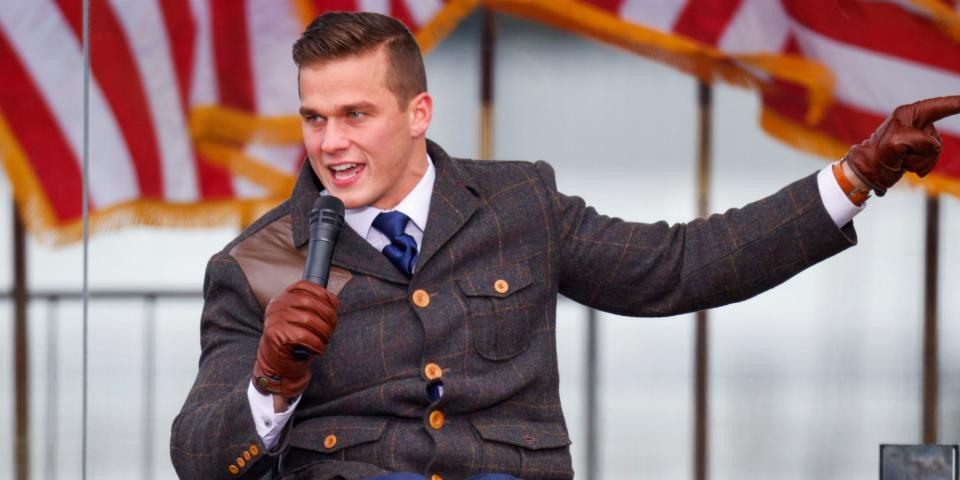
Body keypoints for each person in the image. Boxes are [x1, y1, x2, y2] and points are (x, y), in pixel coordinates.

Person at [170, 11, 958, 480]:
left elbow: (680, 266)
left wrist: (856, 176)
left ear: (418, 113)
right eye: (314, 118)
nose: (331, 143)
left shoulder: (519, 202)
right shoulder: (263, 259)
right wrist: (269, 386)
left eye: (355, 115)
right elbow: (198, 460)